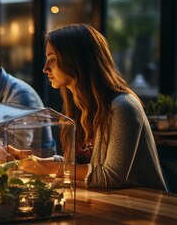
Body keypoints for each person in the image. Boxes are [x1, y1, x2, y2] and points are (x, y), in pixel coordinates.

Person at [21, 23, 167, 190]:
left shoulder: (123, 107)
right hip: (109, 204)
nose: (45, 68)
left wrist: (51, 168)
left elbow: (110, 176)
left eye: (52, 59)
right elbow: (77, 166)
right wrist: (36, 161)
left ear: (76, 60)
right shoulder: (78, 107)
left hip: (144, 206)